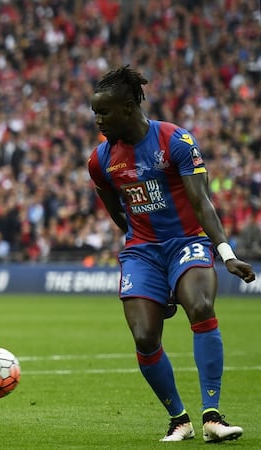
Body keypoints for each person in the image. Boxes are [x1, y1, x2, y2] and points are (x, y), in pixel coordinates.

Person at [87, 66, 256, 443]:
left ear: (129, 107)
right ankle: (178, 419)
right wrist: (136, 241)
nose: (98, 119)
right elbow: (117, 210)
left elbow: (202, 202)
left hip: (187, 241)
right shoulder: (100, 161)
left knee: (199, 306)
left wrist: (226, 254)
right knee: (145, 337)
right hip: (142, 252)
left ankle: (213, 415)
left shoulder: (175, 141)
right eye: (95, 112)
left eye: (104, 112)